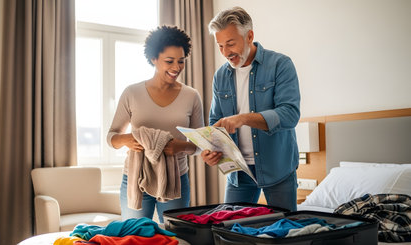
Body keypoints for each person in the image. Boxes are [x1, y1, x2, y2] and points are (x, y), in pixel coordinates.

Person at [201, 6, 301, 211]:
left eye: (230, 44)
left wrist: (243, 118)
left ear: (249, 36)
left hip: (278, 169)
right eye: (220, 46)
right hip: (238, 172)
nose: (226, 52)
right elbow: (215, 121)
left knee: (284, 233)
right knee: (228, 231)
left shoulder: (280, 65)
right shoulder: (220, 76)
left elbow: (290, 114)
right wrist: (211, 149)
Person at [107, 26, 204, 223]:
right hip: (135, 178)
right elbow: (111, 137)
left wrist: (180, 146)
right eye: (169, 61)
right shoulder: (132, 93)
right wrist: (127, 139)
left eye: (181, 61)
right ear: (153, 59)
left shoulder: (191, 96)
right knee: (134, 237)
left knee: (175, 237)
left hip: (176, 179)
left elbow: (201, 143)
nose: (176, 67)